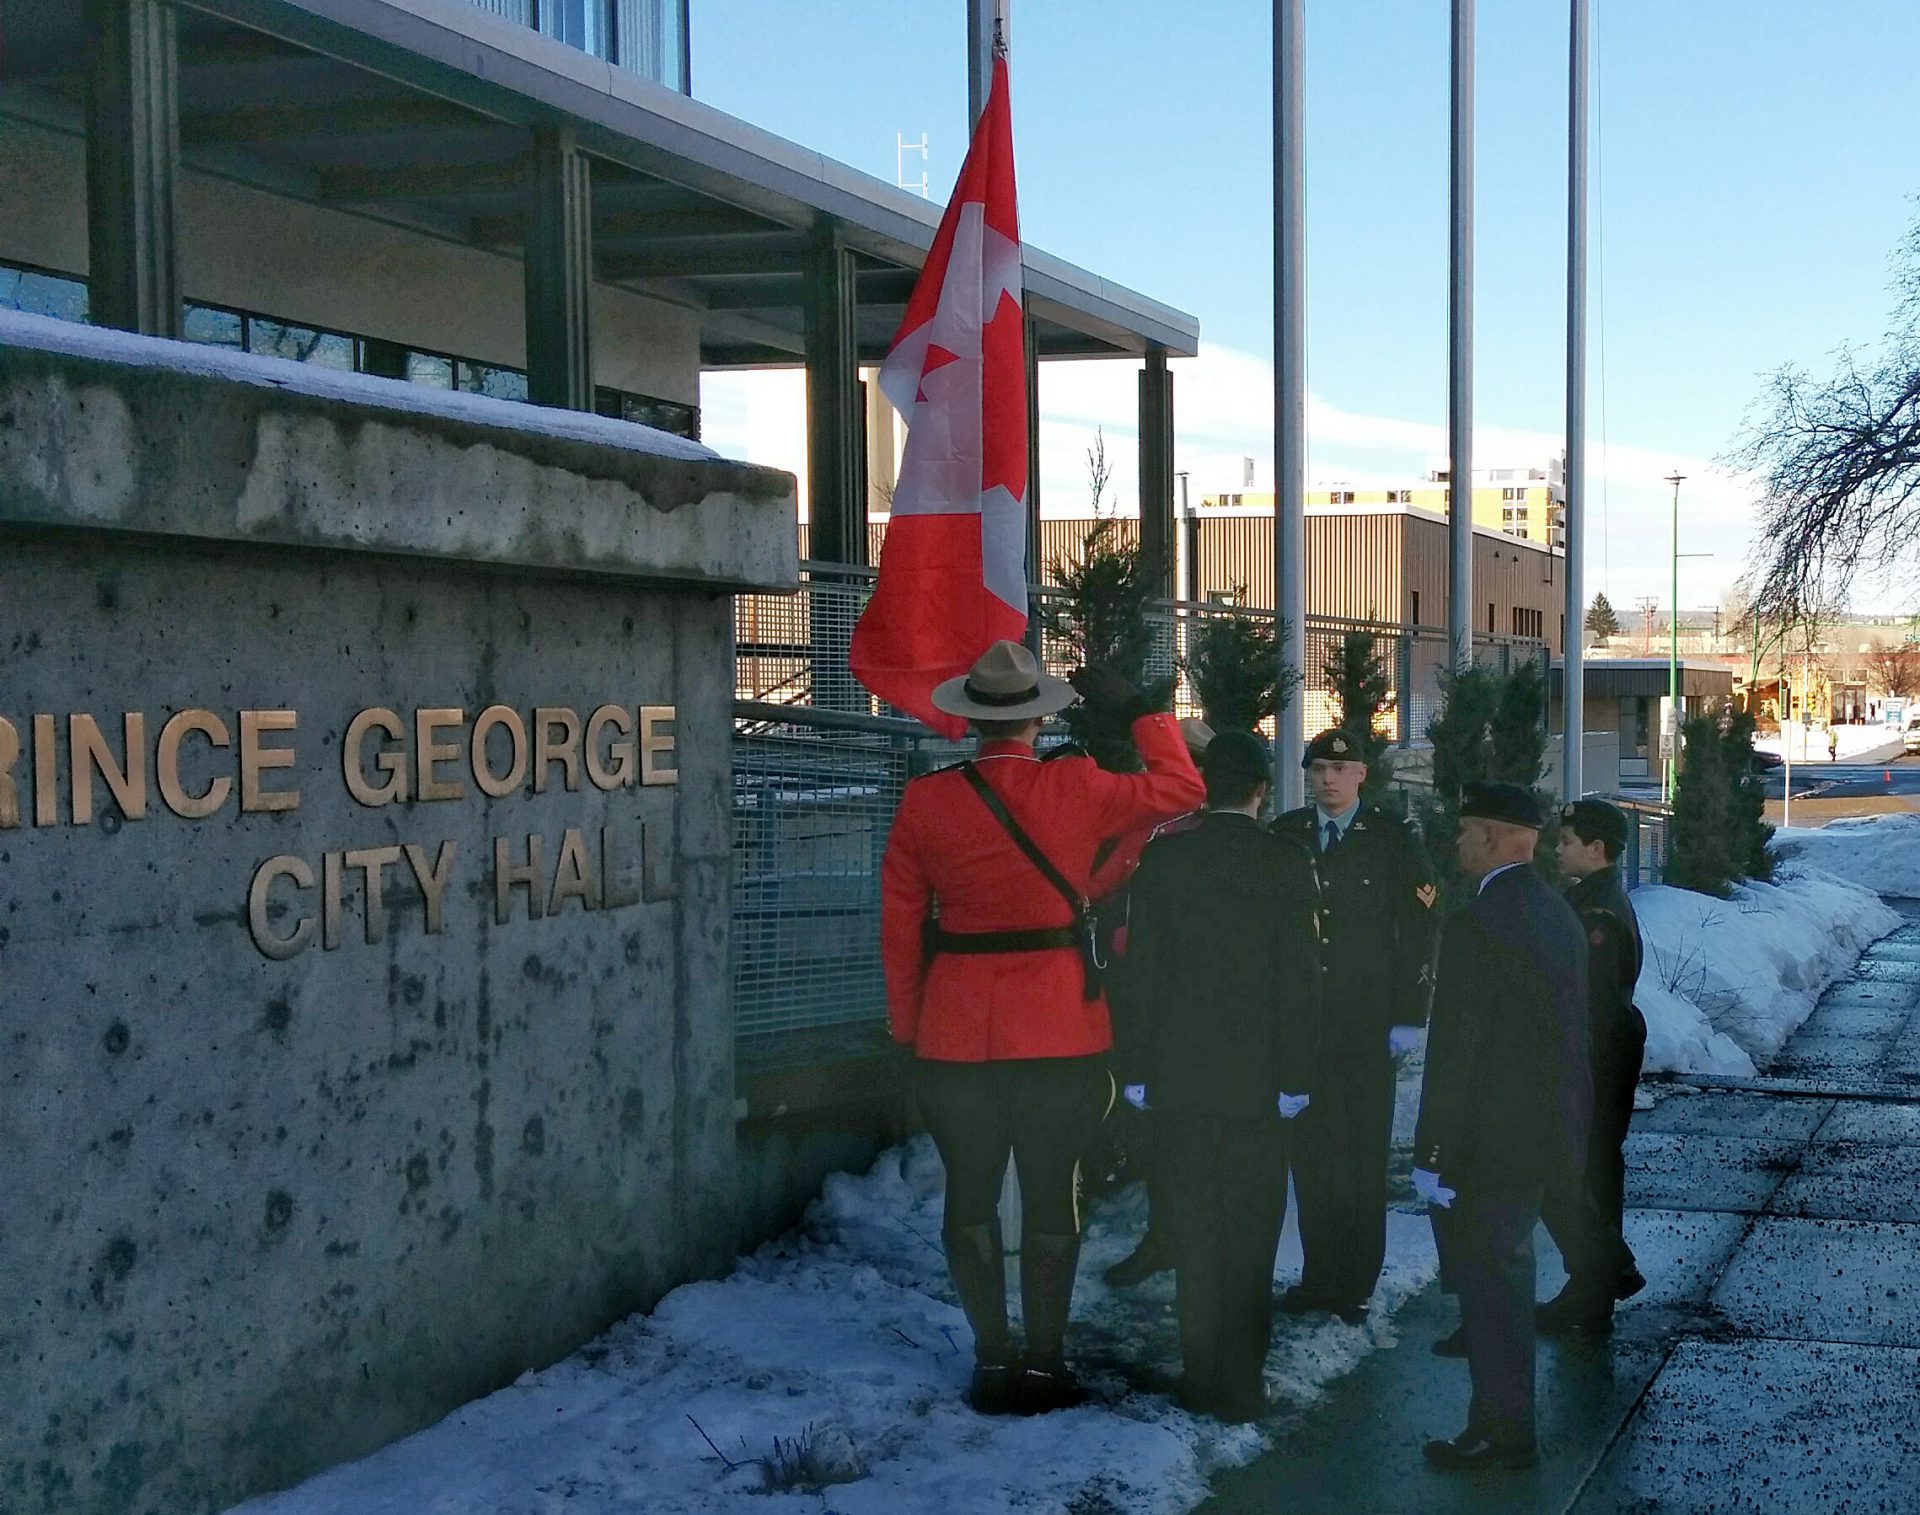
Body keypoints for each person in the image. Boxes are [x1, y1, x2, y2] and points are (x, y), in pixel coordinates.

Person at [881, 641, 1204, 1416]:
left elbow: (898, 925)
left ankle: (993, 1357)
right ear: (1037, 718)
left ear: (974, 718)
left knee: (969, 1197)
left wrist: (908, 1025)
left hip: (955, 1030)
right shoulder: (1079, 786)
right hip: (1060, 1027)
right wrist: (1139, 711)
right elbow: (1184, 788)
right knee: (1054, 1195)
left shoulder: (927, 800)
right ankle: (1045, 1360)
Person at [1122, 731, 1322, 1420]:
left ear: (1205, 788)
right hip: (1259, 1084)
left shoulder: (1164, 858)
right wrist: (1297, 1074)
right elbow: (1299, 981)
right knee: (1250, 1235)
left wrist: (1137, 1067)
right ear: (1263, 790)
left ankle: (1199, 1371)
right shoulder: (1287, 861)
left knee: (1194, 1230)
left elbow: (1138, 972)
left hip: (1178, 1077)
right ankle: (1241, 1381)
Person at [1414, 782, 1592, 1473]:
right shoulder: (1556, 913)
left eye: (1464, 832)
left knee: (1492, 1290)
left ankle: (1501, 1429)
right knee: (1506, 1277)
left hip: (1490, 1143)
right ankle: (1503, 1420)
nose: (1456, 844)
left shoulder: (1478, 923)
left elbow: (1456, 1053)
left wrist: (1433, 1150)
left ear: (1490, 836)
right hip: (1544, 1132)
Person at [1271, 727, 1438, 1325]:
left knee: (1360, 1154)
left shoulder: (1391, 841)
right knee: (1311, 1152)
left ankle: (1356, 1282)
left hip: (1367, 1025)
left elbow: (1421, 931)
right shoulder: (1286, 836)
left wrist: (1409, 1017)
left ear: (1363, 775)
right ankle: (1320, 1275)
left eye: (1340, 771)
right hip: (1303, 1027)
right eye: (1318, 770)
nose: (1328, 781)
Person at [1094, 716, 1215, 1290]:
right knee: (1151, 1123)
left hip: (1192, 997)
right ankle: (1164, 1236)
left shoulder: (1214, 831)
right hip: (1135, 989)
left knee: (1192, 1125)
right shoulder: (1141, 821)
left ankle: (1192, 1237)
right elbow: (1107, 883)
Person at [1537, 799, 1648, 1337]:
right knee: (1588, 1171)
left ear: (1596, 849)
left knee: (1579, 1172)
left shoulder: (1596, 913)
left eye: (1567, 840)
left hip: (1596, 1056)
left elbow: (1592, 1003)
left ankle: (1602, 1276)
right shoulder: (1593, 900)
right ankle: (1594, 1285)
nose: (1557, 849)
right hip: (1600, 1051)